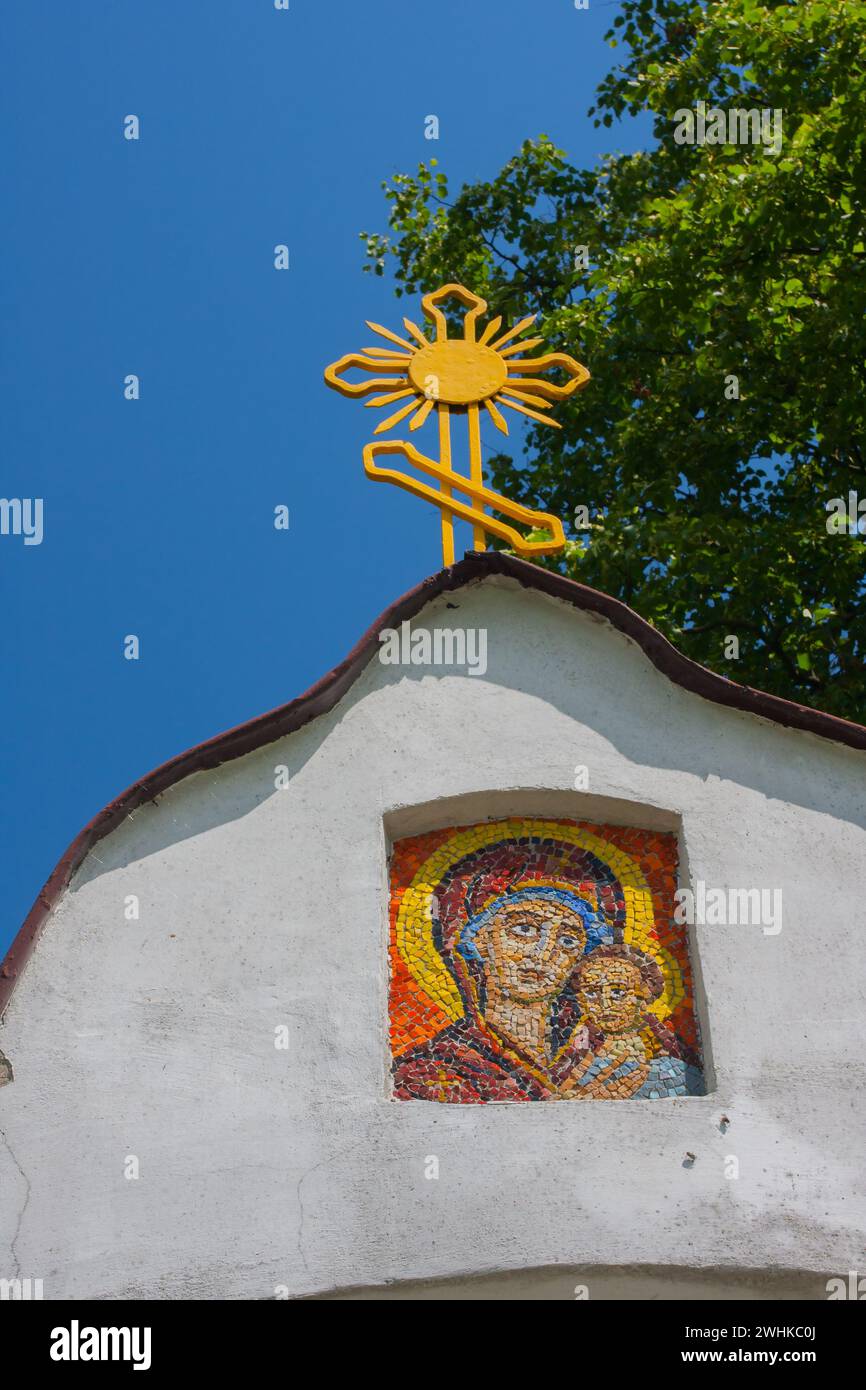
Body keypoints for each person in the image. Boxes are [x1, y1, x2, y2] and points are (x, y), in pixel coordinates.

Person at [392, 886, 609, 1102]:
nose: (543, 953)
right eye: (524, 929)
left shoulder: (596, 1051)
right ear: (479, 940)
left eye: (567, 941)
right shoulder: (431, 1069)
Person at [562, 944, 703, 1099]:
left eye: (618, 991)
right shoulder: (572, 1065)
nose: (604, 1002)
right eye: (590, 993)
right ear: (581, 1000)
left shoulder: (675, 1071)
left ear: (645, 993)